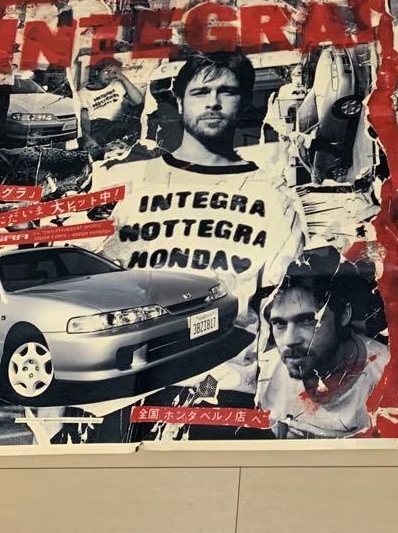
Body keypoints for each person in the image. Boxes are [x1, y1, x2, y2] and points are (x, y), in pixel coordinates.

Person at [91, 50, 305, 396]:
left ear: (244, 102)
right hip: (124, 388)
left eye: (227, 92)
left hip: (221, 390)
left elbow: (278, 309)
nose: (213, 103)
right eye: (201, 92)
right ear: (179, 102)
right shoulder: (130, 183)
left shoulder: (272, 196)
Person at [256, 247, 389, 438]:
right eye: (279, 323)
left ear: (343, 315)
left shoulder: (388, 374)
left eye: (307, 321)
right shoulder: (265, 372)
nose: (290, 340)